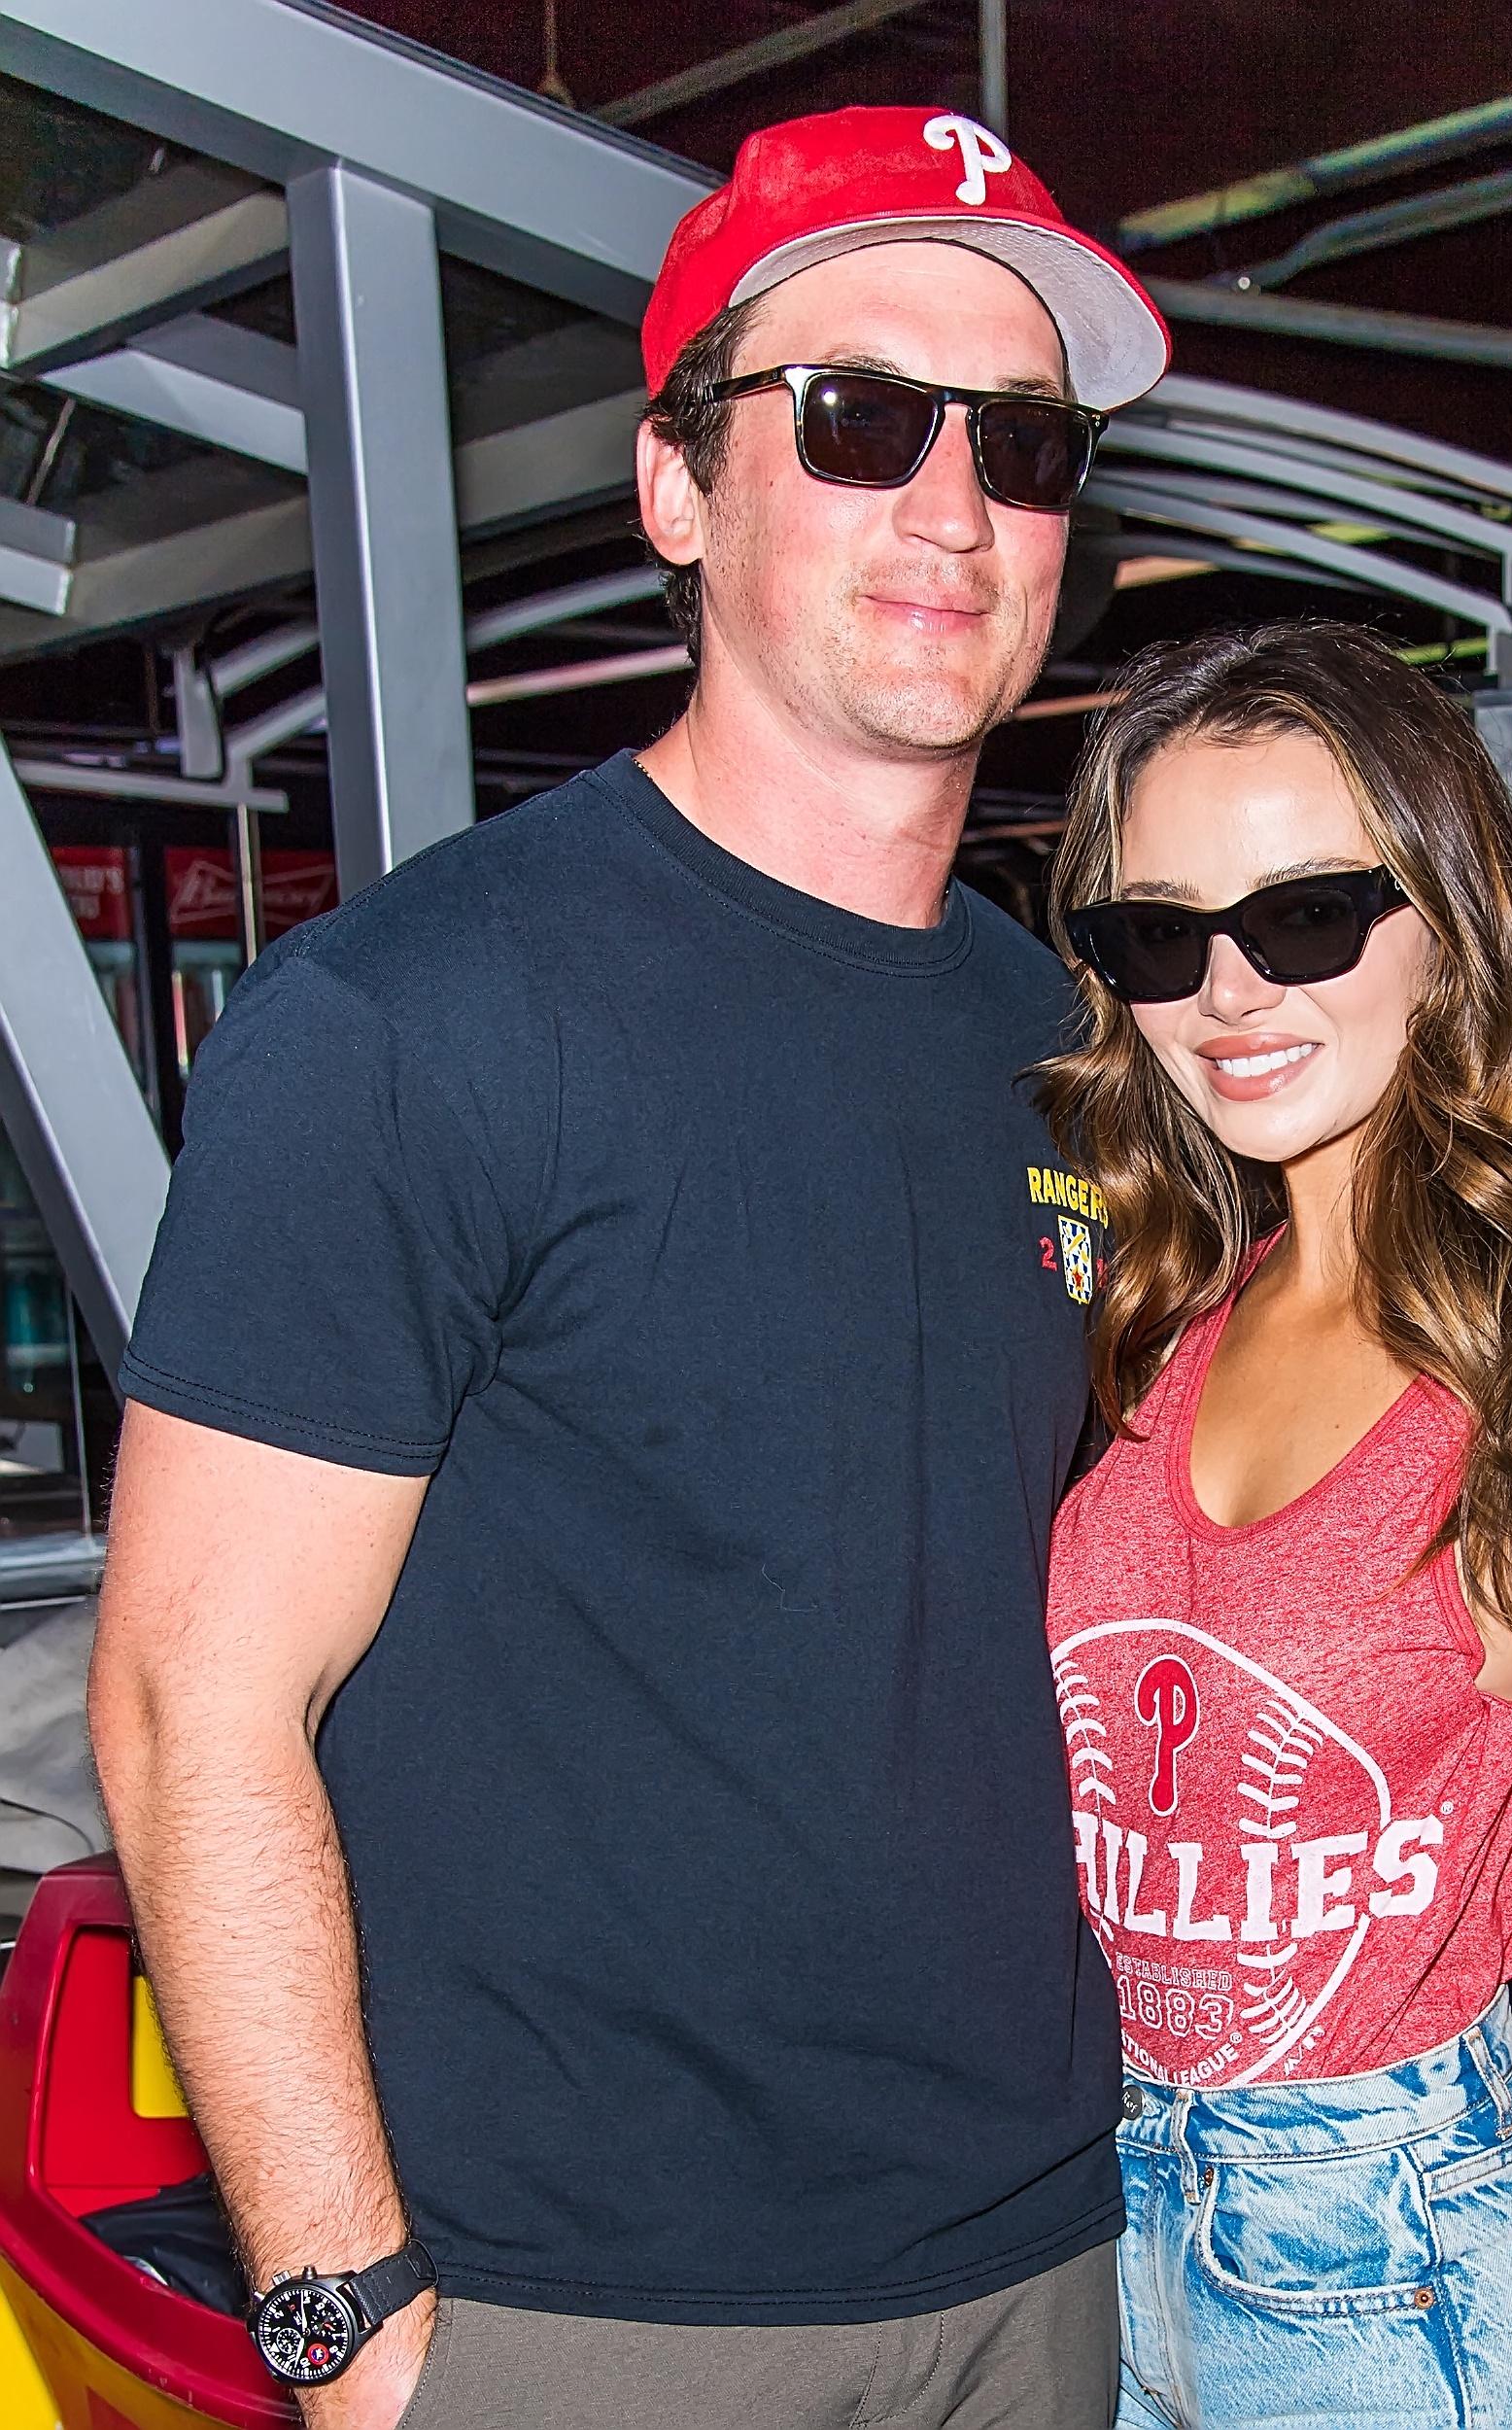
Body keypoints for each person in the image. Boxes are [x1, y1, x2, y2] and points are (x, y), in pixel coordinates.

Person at [87, 107, 1170, 2430]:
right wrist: (348, 2327)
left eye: (1027, 441)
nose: (955, 506)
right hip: (577, 2317)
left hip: (1037, 2251)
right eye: (861, 419)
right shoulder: (410, 1024)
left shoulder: (1061, 1041)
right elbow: (192, 1707)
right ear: (679, 487)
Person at [1035, 622, 1512, 2430]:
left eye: (1302, 918)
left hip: (1398, 2270)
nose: (1227, 993)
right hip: (1083, 2223)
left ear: (1447, 920)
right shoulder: (1150, 1316)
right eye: (1158, 934)